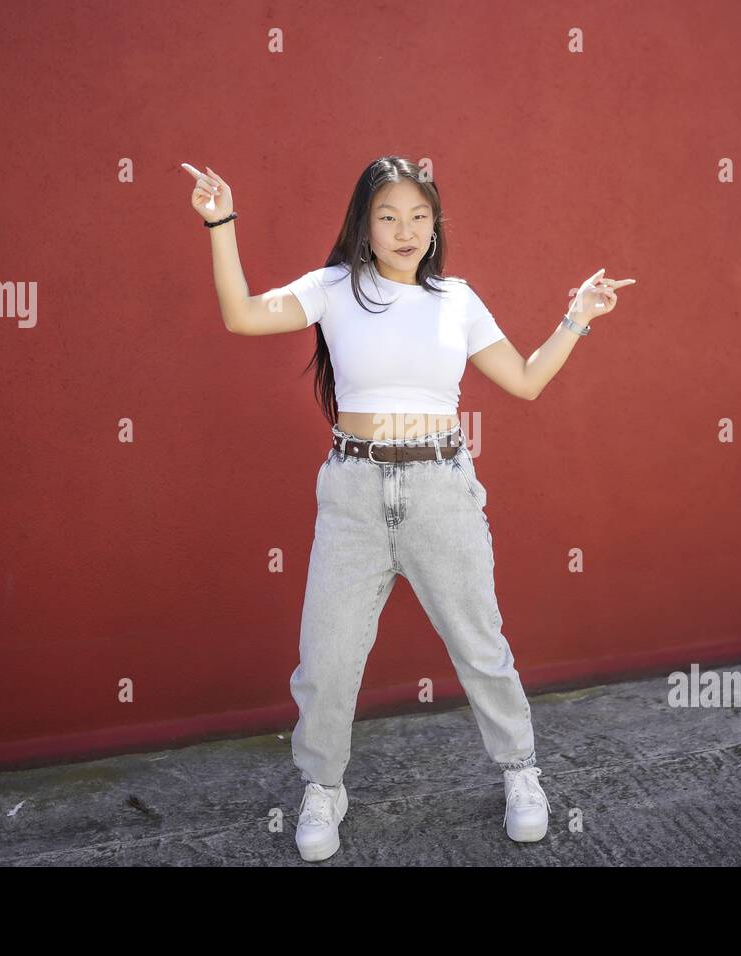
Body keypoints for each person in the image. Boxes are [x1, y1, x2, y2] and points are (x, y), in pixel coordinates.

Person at [183, 156, 634, 862]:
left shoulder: (457, 300)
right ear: (364, 225)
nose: (405, 230)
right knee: (326, 660)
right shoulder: (333, 289)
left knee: (480, 646)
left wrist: (576, 318)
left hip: (440, 489)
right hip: (354, 495)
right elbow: (242, 316)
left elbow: (523, 381)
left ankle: (520, 771)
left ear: (435, 226)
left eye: (419, 216)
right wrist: (220, 222)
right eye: (388, 216)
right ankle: (325, 785)